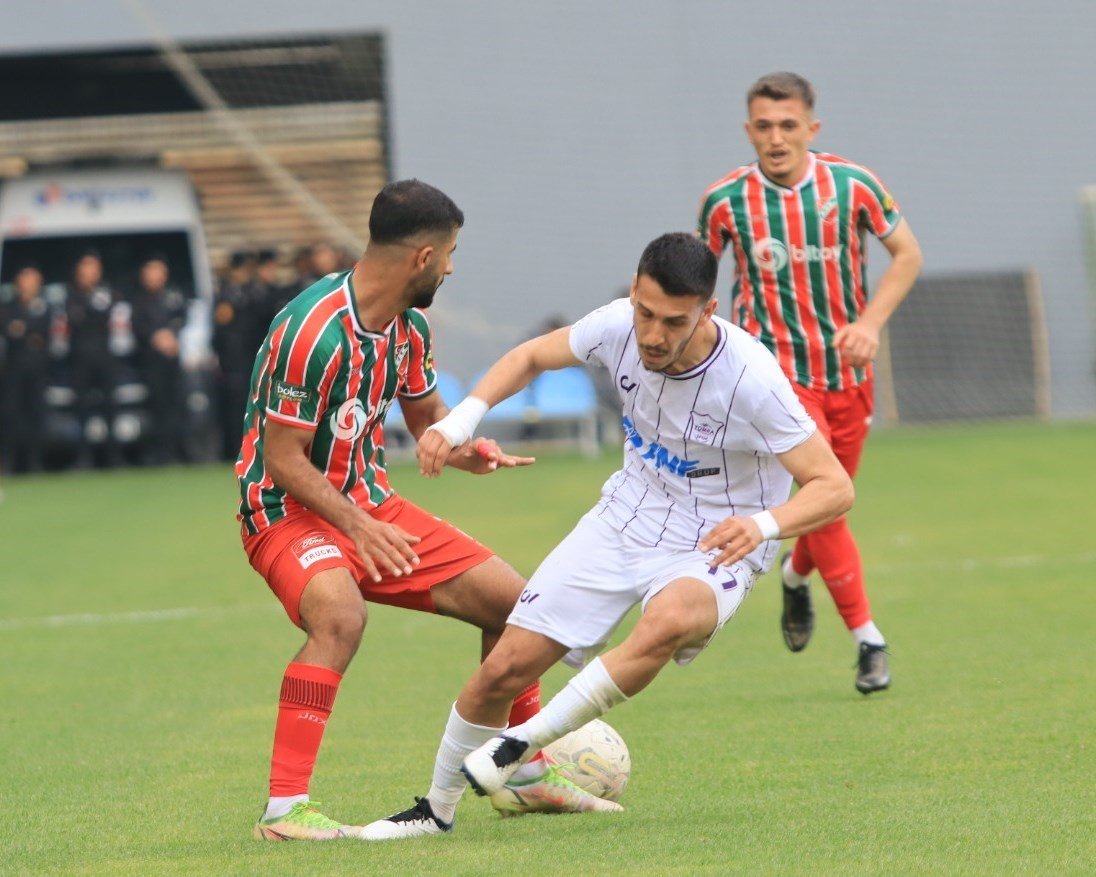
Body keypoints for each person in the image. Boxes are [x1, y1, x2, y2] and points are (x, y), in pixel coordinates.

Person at [360, 232, 854, 840]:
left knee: (669, 622)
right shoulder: (615, 326)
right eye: (644, 312)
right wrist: (463, 417)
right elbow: (530, 358)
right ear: (633, 293)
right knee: (504, 669)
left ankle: (518, 747)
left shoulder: (751, 377)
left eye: (673, 322)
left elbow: (833, 486)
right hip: (626, 515)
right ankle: (435, 811)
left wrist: (761, 525)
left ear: (708, 312)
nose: (652, 334)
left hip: (717, 537)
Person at [240, 179, 616, 842]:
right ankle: (285, 808)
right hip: (283, 509)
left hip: (368, 504)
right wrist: (357, 524)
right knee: (339, 615)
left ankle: (520, 773)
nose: (451, 266)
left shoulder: (409, 328)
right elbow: (284, 460)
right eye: (449, 253)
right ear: (421, 257)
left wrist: (463, 446)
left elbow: (425, 418)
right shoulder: (312, 331)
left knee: (519, 606)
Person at [697, 72, 923, 693]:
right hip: (776, 383)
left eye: (788, 125)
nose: (776, 137)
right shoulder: (724, 201)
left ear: (811, 130)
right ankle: (869, 642)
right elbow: (699, 287)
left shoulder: (853, 185)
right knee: (826, 503)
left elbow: (908, 253)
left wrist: (870, 323)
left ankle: (796, 580)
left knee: (829, 503)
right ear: (749, 130)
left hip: (848, 375)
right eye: (764, 126)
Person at [65, 249, 122, 468]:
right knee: (82, 409)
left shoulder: (108, 293)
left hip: (104, 357)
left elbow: (109, 317)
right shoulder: (71, 295)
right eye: (85, 269)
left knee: (110, 406)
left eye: (93, 269)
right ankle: (83, 458)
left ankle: (114, 457)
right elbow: (77, 320)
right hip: (80, 359)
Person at [130, 254, 188, 465]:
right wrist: (156, 336)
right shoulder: (138, 301)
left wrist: (170, 334)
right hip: (151, 363)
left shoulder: (174, 296)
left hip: (172, 360)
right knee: (157, 407)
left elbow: (182, 318)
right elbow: (139, 327)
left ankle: (179, 451)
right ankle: (160, 453)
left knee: (177, 405)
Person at [0, 263, 51, 473]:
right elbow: (8, 329)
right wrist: (26, 333)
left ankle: (34, 461)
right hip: (13, 369)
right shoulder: (8, 306)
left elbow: (42, 332)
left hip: (37, 369)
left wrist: (23, 329)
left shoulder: (44, 307)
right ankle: (9, 462)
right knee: (10, 415)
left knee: (35, 414)